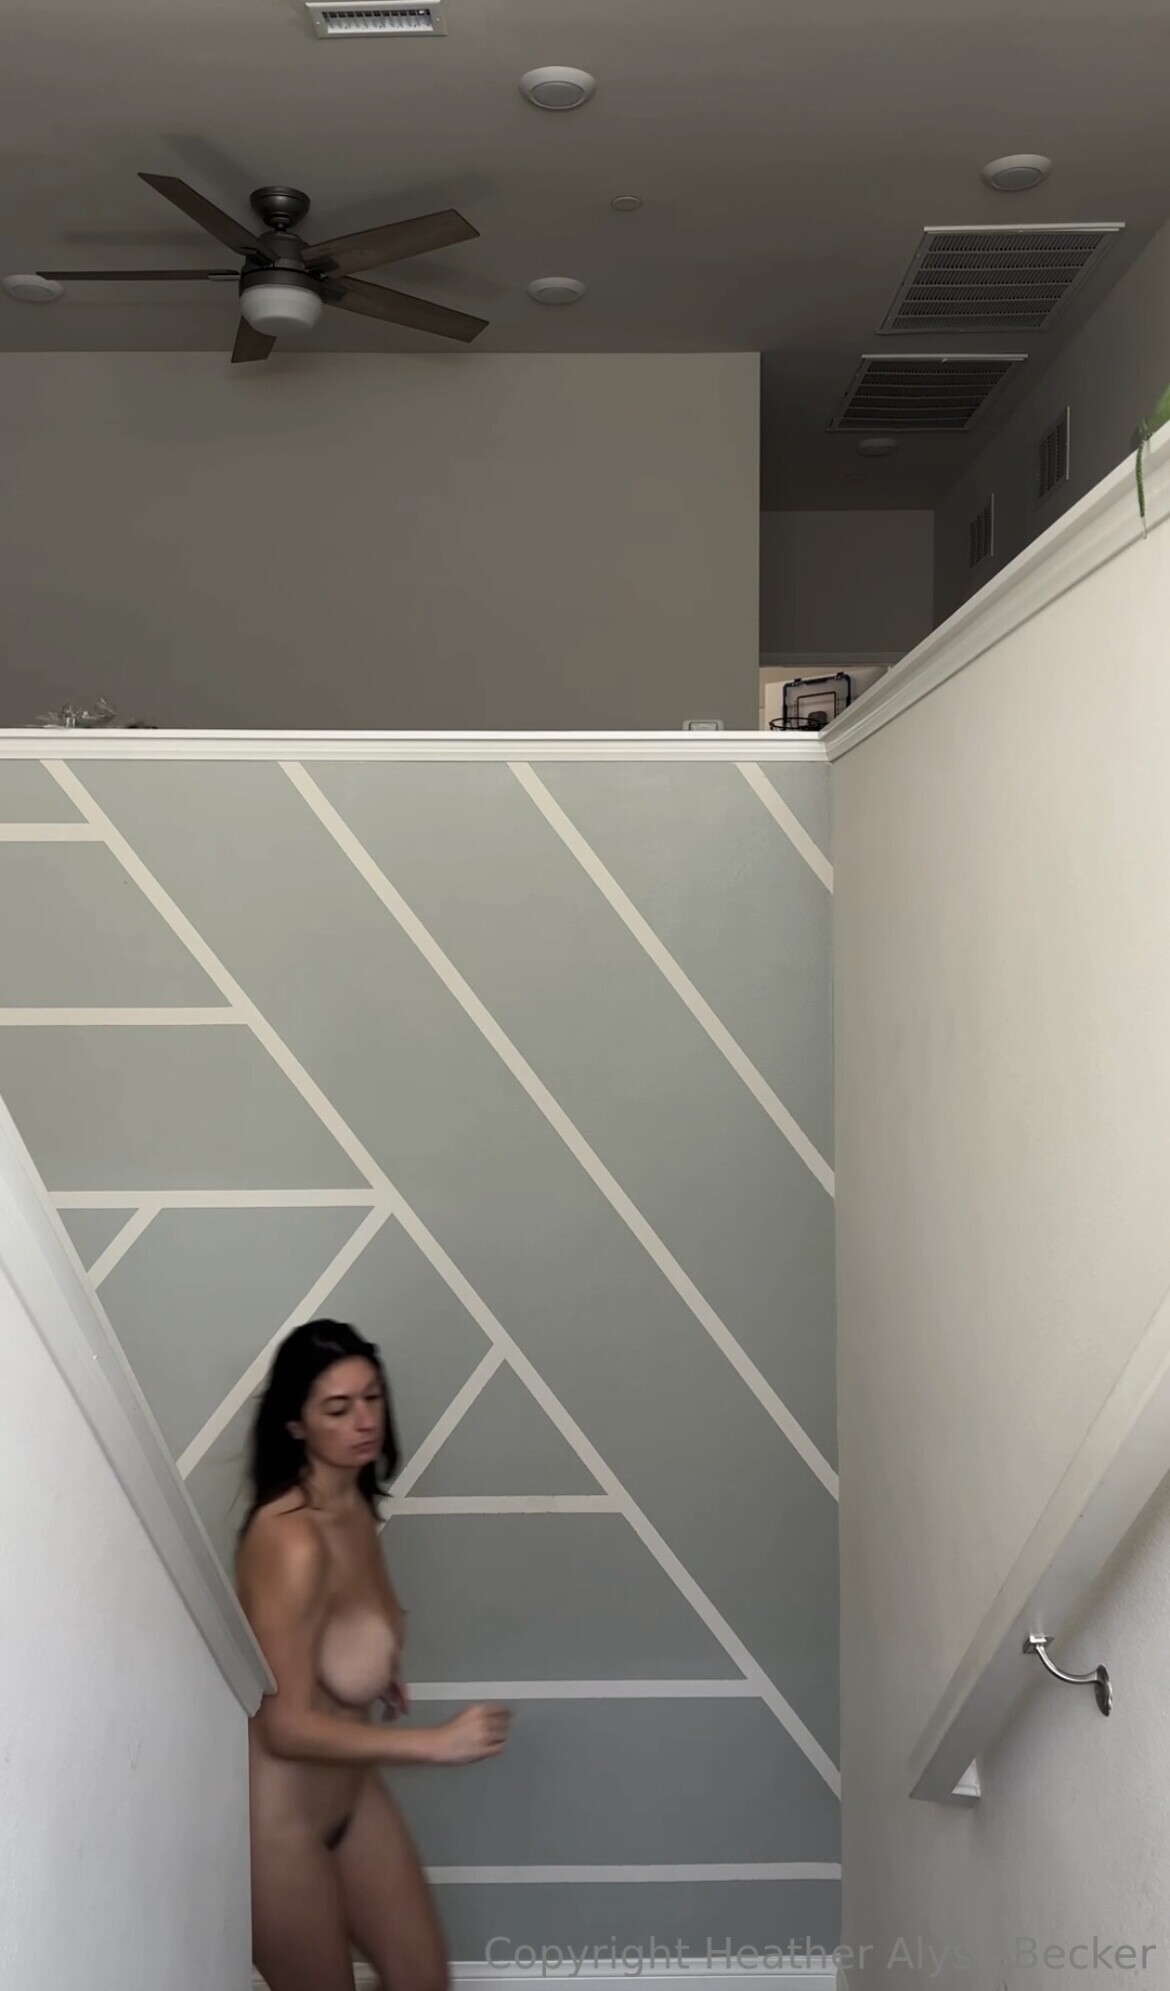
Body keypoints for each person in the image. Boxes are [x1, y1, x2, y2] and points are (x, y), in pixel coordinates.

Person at [235, 1318, 511, 1991]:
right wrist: (435, 1744)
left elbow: (338, 1623)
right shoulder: (290, 1539)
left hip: (351, 1796)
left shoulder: (353, 1502)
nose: (365, 1421)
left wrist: (375, 1665)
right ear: (295, 1425)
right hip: (282, 1831)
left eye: (372, 1397)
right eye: (337, 1408)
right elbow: (284, 1726)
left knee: (424, 1980)